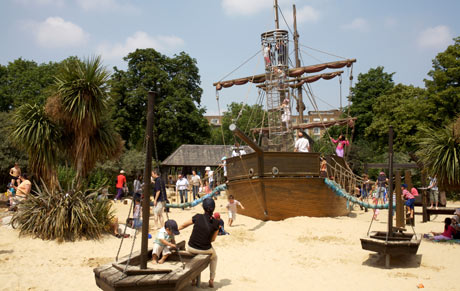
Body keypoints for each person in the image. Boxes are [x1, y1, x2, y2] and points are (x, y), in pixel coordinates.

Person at [179, 198, 219, 288]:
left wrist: (176, 229)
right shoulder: (216, 223)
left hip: (191, 247)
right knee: (215, 257)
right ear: (214, 208)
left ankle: (193, 279)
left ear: (203, 208)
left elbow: (183, 225)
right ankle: (212, 279)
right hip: (205, 249)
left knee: (193, 255)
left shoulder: (197, 217)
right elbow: (212, 240)